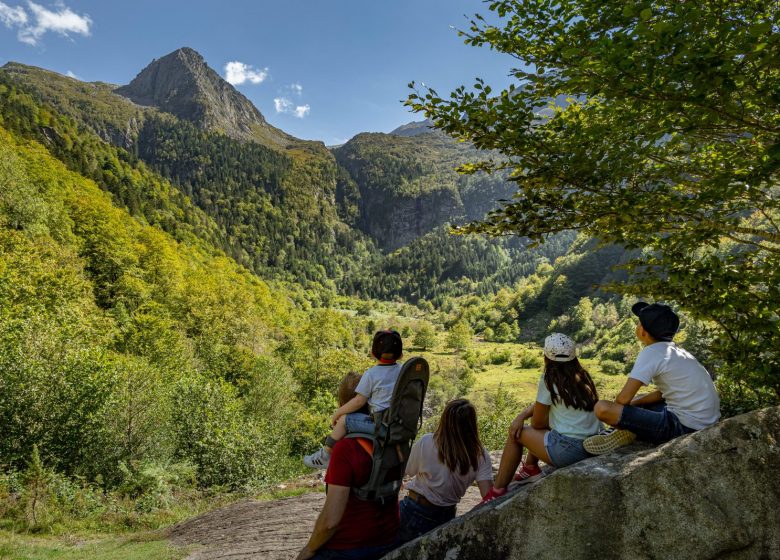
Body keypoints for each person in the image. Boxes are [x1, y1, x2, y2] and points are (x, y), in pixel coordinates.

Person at [479, 333, 601, 504]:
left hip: (569, 450)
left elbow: (537, 423)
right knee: (544, 424)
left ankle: (497, 491)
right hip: (591, 445)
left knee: (517, 433)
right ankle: (529, 468)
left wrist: (520, 419)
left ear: (546, 357)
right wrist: (523, 415)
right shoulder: (582, 377)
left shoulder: (549, 379)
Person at [583, 302, 720, 455]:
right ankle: (632, 428)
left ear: (643, 331)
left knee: (602, 408)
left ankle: (628, 429)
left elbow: (622, 399)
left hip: (684, 428)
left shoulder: (651, 352)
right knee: (642, 399)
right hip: (704, 421)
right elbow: (662, 394)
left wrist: (622, 414)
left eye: (638, 322)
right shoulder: (677, 352)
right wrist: (635, 404)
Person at [304, 330, 403, 469]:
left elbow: (358, 401)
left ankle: (325, 455)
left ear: (373, 353)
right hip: (400, 424)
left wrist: (338, 413)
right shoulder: (404, 371)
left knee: (344, 420)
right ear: (400, 353)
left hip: (381, 426)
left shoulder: (371, 374)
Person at [398, 399, 493, 544]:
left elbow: (406, 471)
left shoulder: (427, 442)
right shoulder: (480, 454)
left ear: (445, 420)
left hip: (415, 510)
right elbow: (488, 496)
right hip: (446, 516)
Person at [296, 430, 400, 560]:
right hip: (388, 539)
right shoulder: (396, 441)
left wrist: (309, 549)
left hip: (348, 546)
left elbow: (329, 523)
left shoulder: (347, 448)